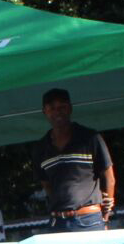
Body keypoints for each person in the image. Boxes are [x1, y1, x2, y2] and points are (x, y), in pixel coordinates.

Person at [31, 88, 115, 232]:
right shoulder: (41, 148)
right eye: (52, 108)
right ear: (45, 112)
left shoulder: (90, 137)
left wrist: (105, 217)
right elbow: (47, 184)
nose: (57, 112)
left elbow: (109, 177)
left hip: (89, 220)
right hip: (58, 222)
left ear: (69, 108)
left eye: (62, 107)